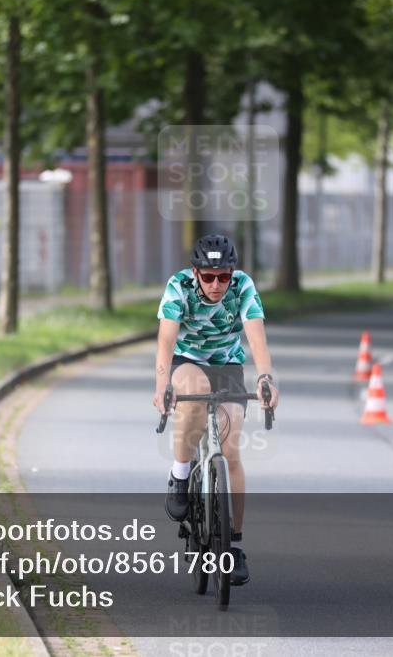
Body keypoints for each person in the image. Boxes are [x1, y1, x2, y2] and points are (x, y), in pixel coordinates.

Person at [153, 234, 279, 587]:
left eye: (223, 276)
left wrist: (265, 378)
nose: (216, 284)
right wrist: (162, 385)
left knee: (230, 450)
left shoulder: (243, 287)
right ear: (195, 273)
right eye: (208, 277)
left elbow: (257, 338)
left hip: (227, 366)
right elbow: (166, 341)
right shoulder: (178, 287)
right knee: (195, 392)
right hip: (186, 361)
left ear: (232, 273)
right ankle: (180, 474)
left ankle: (233, 545)